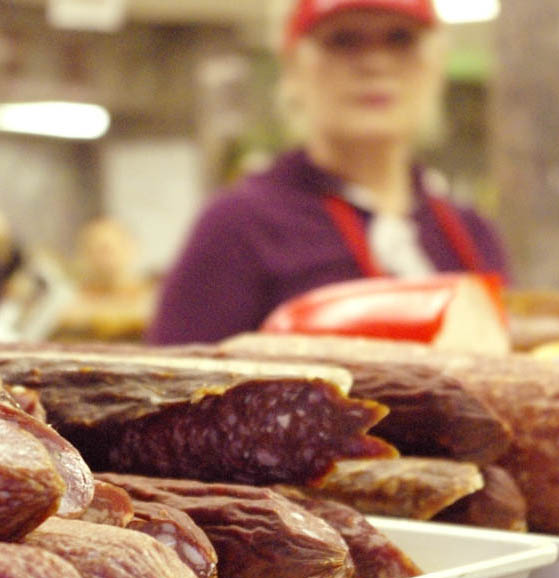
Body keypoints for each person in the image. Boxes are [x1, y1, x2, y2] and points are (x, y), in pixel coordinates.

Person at [148, 0, 509, 345]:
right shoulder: (238, 228)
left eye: (401, 39)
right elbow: (170, 394)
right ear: (292, 70)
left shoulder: (471, 233)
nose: (375, 63)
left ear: (436, 66)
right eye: (343, 40)